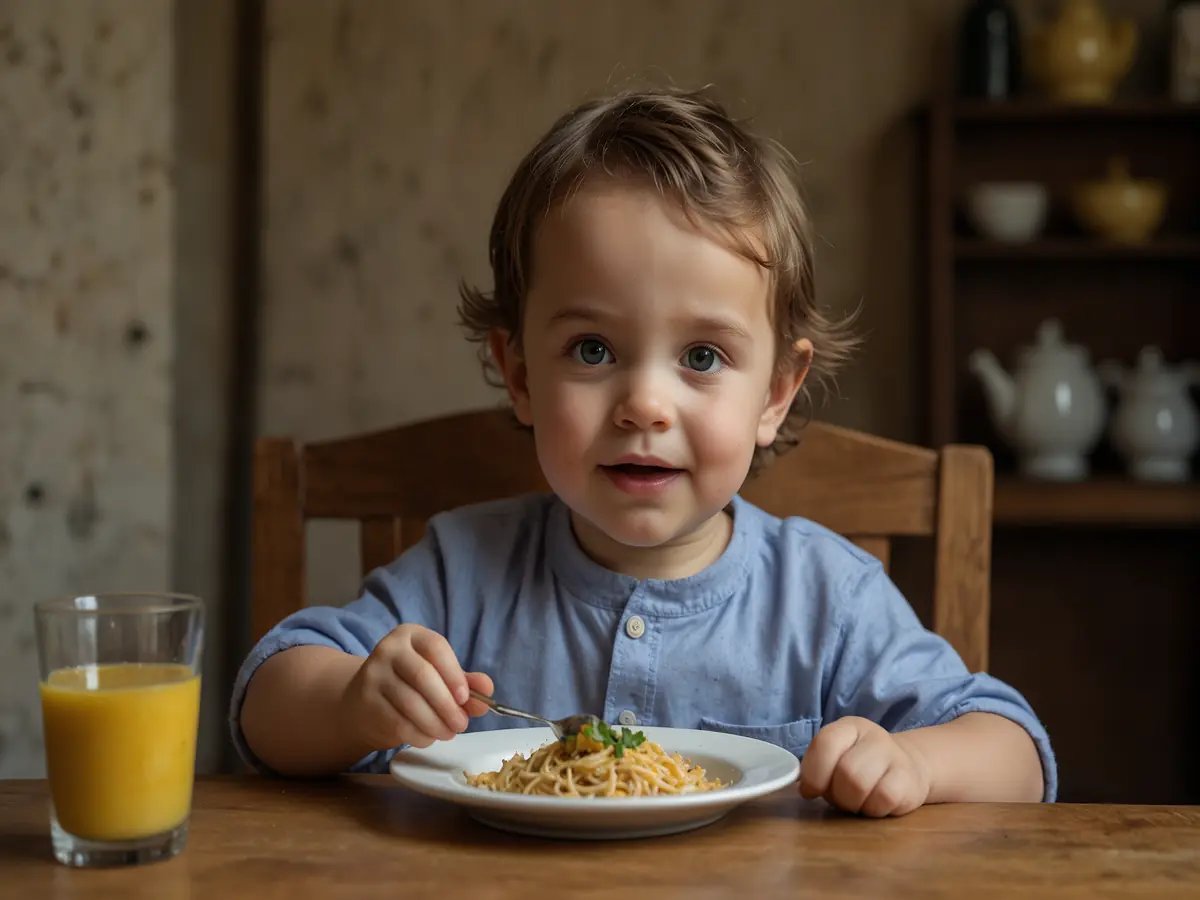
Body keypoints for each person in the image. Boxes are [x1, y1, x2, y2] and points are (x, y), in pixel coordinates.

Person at [230, 86, 1055, 817]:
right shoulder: (461, 570)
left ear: (776, 391)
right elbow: (266, 699)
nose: (644, 406)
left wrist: (913, 759)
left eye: (702, 357)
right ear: (519, 374)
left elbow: (1015, 754)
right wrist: (352, 704)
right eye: (593, 350)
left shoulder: (827, 601)